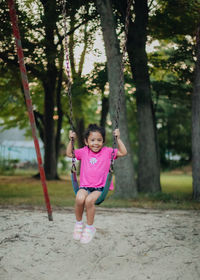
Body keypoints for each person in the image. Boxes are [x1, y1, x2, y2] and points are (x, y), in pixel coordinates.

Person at [66, 124, 127, 244]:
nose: (96, 143)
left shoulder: (108, 151)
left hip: (100, 189)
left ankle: (89, 228)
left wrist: (118, 139)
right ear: (86, 141)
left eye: (99, 140)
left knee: (89, 201)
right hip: (84, 186)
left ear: (103, 141)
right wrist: (71, 140)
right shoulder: (83, 152)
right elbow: (69, 154)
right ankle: (79, 224)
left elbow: (123, 152)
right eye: (92, 140)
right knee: (79, 198)